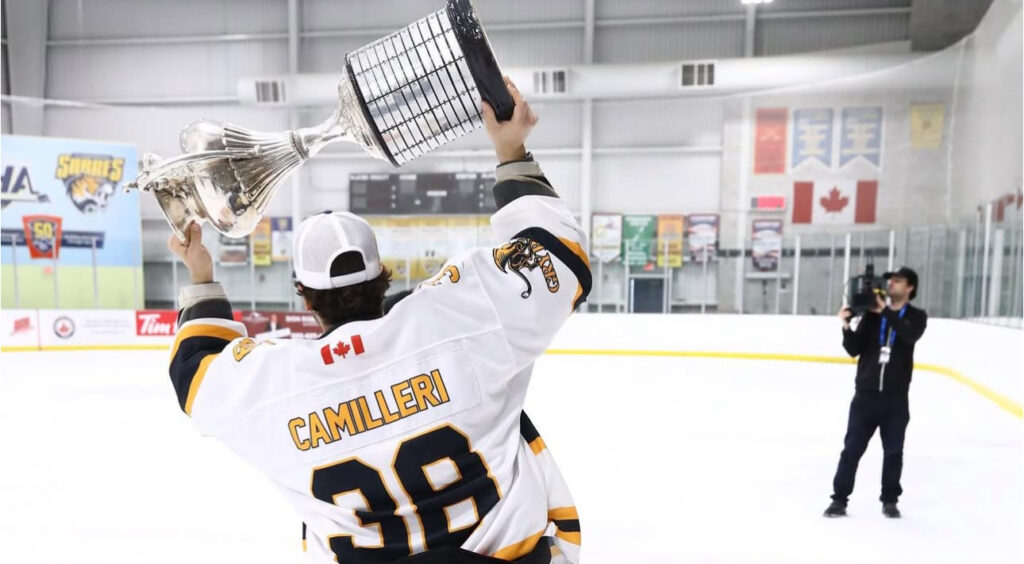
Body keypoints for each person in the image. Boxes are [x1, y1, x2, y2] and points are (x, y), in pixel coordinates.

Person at [166, 80, 589, 563]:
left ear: (304, 295)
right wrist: (510, 150)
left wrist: (200, 275)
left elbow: (195, 375)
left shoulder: (276, 385)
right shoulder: (460, 316)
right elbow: (559, 260)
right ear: (381, 274)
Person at [824, 267, 927, 519]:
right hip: (865, 397)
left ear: (910, 287)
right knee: (851, 450)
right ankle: (839, 499)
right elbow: (854, 348)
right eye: (890, 280)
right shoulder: (871, 316)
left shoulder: (916, 316)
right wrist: (846, 325)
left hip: (895, 399)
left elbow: (909, 335)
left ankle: (889, 500)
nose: (891, 284)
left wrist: (886, 313)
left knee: (893, 452)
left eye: (898, 281)